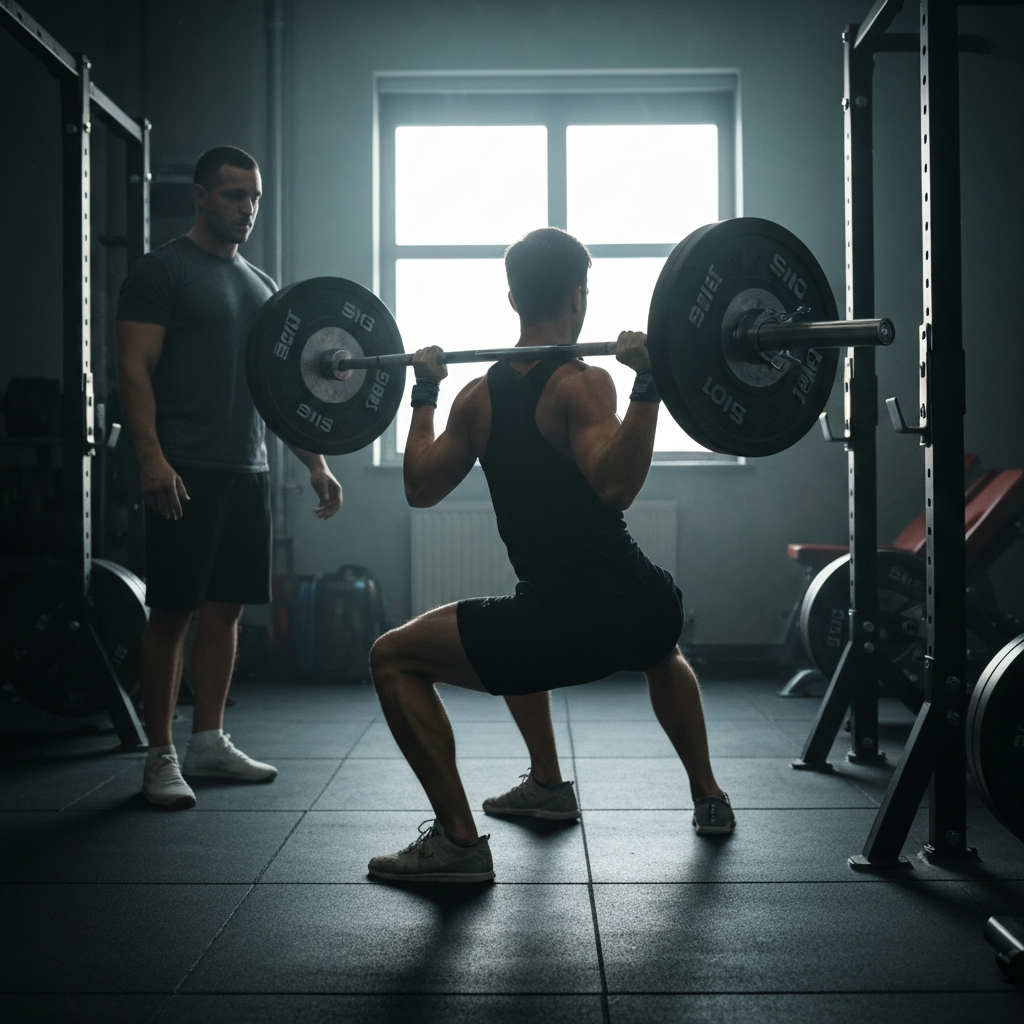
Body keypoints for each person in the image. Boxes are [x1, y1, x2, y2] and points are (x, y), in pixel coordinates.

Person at [367, 227, 732, 883]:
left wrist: (424, 393)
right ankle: (692, 796)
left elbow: (419, 485)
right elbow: (615, 484)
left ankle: (458, 845)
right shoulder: (580, 383)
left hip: (563, 627)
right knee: (650, 648)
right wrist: (647, 381)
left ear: (512, 298)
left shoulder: (478, 397)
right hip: (642, 606)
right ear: (577, 295)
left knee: (392, 655)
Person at [116, 146, 342, 809]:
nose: (247, 209)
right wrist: (151, 458)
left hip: (249, 467)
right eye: (234, 196)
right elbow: (133, 369)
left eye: (255, 198)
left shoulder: (262, 286)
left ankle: (208, 740)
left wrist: (315, 462)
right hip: (184, 466)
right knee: (174, 610)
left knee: (226, 609)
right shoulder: (162, 273)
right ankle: (159, 754)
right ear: (201, 197)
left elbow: (280, 391)